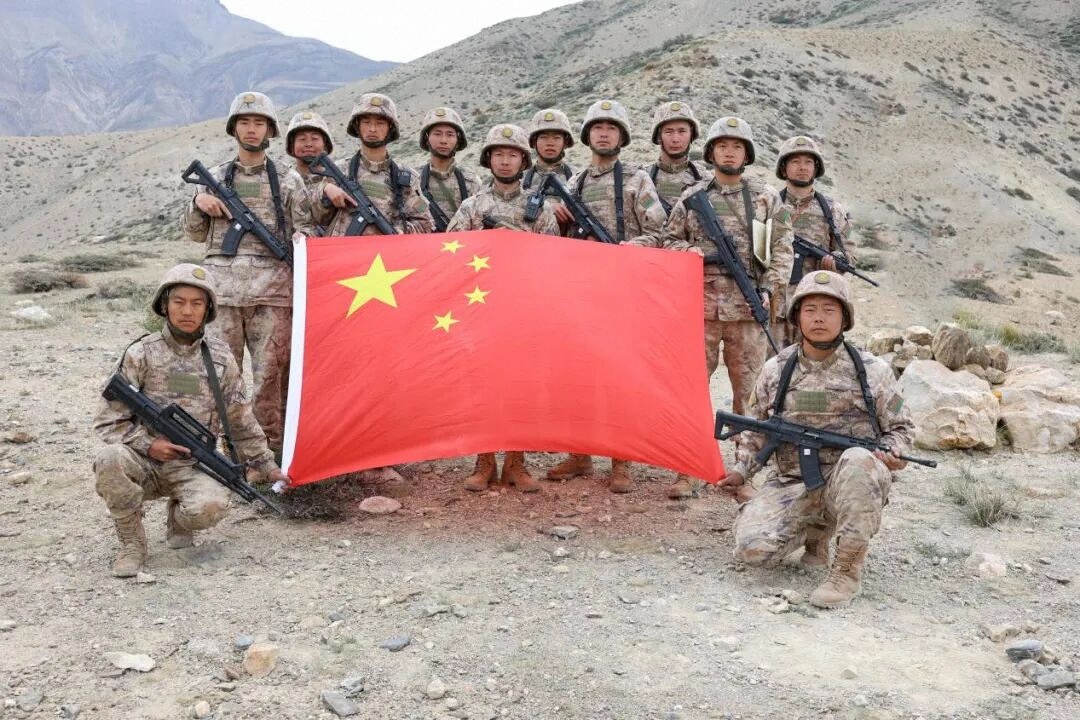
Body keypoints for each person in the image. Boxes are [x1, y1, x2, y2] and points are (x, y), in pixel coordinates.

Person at [720, 271, 913, 608]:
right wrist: (741, 471)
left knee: (858, 461)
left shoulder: (873, 371)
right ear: (797, 317)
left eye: (828, 310)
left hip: (848, 480)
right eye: (810, 310)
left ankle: (846, 572)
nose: (819, 318)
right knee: (751, 551)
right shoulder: (776, 369)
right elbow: (756, 428)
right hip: (792, 481)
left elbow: (902, 429)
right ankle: (815, 533)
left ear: (845, 318)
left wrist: (894, 452)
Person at [93, 265, 287, 577]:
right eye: (179, 302)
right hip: (142, 460)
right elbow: (107, 421)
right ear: (164, 304)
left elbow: (240, 418)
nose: (187, 311)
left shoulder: (220, 359)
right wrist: (149, 444)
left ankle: (179, 519)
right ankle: (132, 544)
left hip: (193, 464)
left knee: (211, 508)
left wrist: (265, 463)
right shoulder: (141, 354)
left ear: (208, 309)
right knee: (109, 459)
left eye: (197, 303)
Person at [648, 116, 794, 499]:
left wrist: (769, 288)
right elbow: (668, 241)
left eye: (737, 147)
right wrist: (692, 251)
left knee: (749, 395)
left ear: (747, 154)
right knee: (691, 392)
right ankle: (688, 468)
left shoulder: (765, 197)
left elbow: (783, 248)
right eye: (723, 146)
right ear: (711, 152)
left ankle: (743, 471)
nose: (729, 153)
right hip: (699, 309)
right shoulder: (693, 197)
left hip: (747, 310)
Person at [545, 99, 667, 494]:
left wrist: (628, 249)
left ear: (622, 136)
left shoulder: (637, 180)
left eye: (611, 128)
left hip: (624, 292)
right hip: (582, 293)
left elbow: (659, 232)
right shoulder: (575, 183)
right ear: (586, 136)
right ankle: (580, 454)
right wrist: (555, 215)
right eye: (597, 128)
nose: (603, 133)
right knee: (579, 376)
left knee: (619, 378)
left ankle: (621, 461)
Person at [446, 124, 561, 493]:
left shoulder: (539, 208)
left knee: (521, 385)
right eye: (499, 154)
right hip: (481, 307)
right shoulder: (473, 206)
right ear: (488, 159)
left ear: (523, 161)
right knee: (481, 384)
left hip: (524, 308)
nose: (506, 161)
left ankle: (516, 463)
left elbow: (554, 257)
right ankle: (484, 462)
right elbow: (451, 253)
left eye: (512, 155)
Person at [181, 91, 294, 460]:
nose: (251, 129)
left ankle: (268, 455)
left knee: (269, 380)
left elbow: (305, 230)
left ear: (270, 130)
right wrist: (197, 203)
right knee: (220, 376)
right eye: (244, 122)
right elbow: (195, 233)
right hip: (222, 295)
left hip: (273, 294)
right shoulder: (213, 178)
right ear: (234, 128)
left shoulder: (288, 180)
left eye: (259, 123)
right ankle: (225, 454)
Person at [311, 93, 434, 235]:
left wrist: (397, 232)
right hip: (343, 248)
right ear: (357, 125)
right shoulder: (339, 171)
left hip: (387, 248)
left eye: (380, 123)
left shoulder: (406, 178)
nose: (372, 129)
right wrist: (324, 191)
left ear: (390, 128)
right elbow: (315, 219)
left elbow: (425, 223)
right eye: (366, 122)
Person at [775, 135, 855, 345]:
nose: (802, 167)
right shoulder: (769, 204)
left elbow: (849, 253)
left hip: (814, 304)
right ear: (784, 168)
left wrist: (836, 261)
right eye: (795, 161)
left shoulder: (832, 209)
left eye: (808, 162)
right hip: (775, 304)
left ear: (816, 168)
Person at [415, 106, 480, 230]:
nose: (443, 140)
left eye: (450, 135)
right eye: (437, 134)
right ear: (427, 138)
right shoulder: (414, 179)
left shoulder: (471, 180)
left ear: (458, 140)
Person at [646, 101, 708, 214]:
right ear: (659, 136)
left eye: (682, 131)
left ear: (691, 135)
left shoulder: (706, 180)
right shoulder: (642, 178)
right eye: (668, 132)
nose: (675, 139)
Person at [284, 110, 335, 236]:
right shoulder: (282, 180)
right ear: (291, 146)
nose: (308, 144)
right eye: (302, 139)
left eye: (315, 139)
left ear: (325, 145)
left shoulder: (336, 181)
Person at [522, 107, 575, 193]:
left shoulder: (578, 178)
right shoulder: (520, 180)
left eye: (556, 137)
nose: (550, 143)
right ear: (534, 142)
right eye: (543, 137)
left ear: (565, 143)